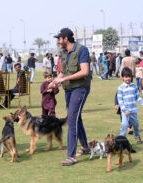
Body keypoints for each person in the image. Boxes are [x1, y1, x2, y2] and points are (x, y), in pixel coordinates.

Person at [50, 28, 91, 166]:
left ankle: (71, 156)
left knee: (72, 120)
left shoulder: (82, 50)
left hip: (80, 88)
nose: (58, 41)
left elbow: (85, 71)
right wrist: (54, 82)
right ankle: (85, 147)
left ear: (66, 38)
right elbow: (62, 72)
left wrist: (64, 79)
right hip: (68, 90)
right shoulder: (63, 52)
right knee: (76, 118)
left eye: (59, 39)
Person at [117, 67, 143, 144]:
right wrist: (125, 110)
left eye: (129, 76)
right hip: (125, 111)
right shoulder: (120, 88)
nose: (128, 79)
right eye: (126, 77)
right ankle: (122, 140)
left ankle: (137, 136)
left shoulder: (134, 86)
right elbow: (120, 101)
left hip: (133, 110)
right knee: (124, 124)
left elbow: (138, 98)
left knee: (136, 124)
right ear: (122, 77)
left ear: (131, 77)